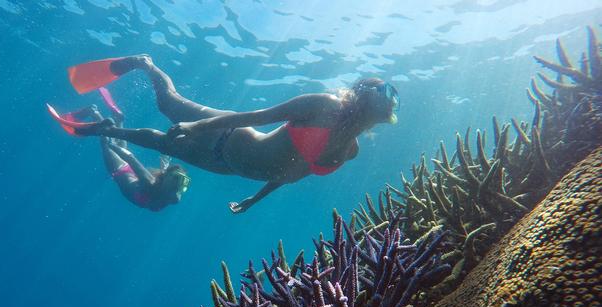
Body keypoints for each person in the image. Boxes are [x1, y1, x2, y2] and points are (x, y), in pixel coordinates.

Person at [53, 55, 399, 213]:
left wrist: (254, 200)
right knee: (170, 106)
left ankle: (106, 130)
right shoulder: (323, 106)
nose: (393, 100)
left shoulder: (350, 150)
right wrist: (197, 125)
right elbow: (258, 115)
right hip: (229, 135)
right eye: (387, 91)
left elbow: (292, 171)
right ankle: (145, 63)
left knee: (161, 142)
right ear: (363, 93)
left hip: (226, 165)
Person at [47, 87, 190, 212]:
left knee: (112, 136)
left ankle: (118, 118)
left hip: (127, 171)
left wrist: (165, 164)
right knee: (105, 135)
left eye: (179, 183)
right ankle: (93, 112)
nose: (177, 187)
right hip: (121, 170)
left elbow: (163, 174)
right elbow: (130, 158)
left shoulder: (169, 192)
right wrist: (111, 145)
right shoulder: (157, 186)